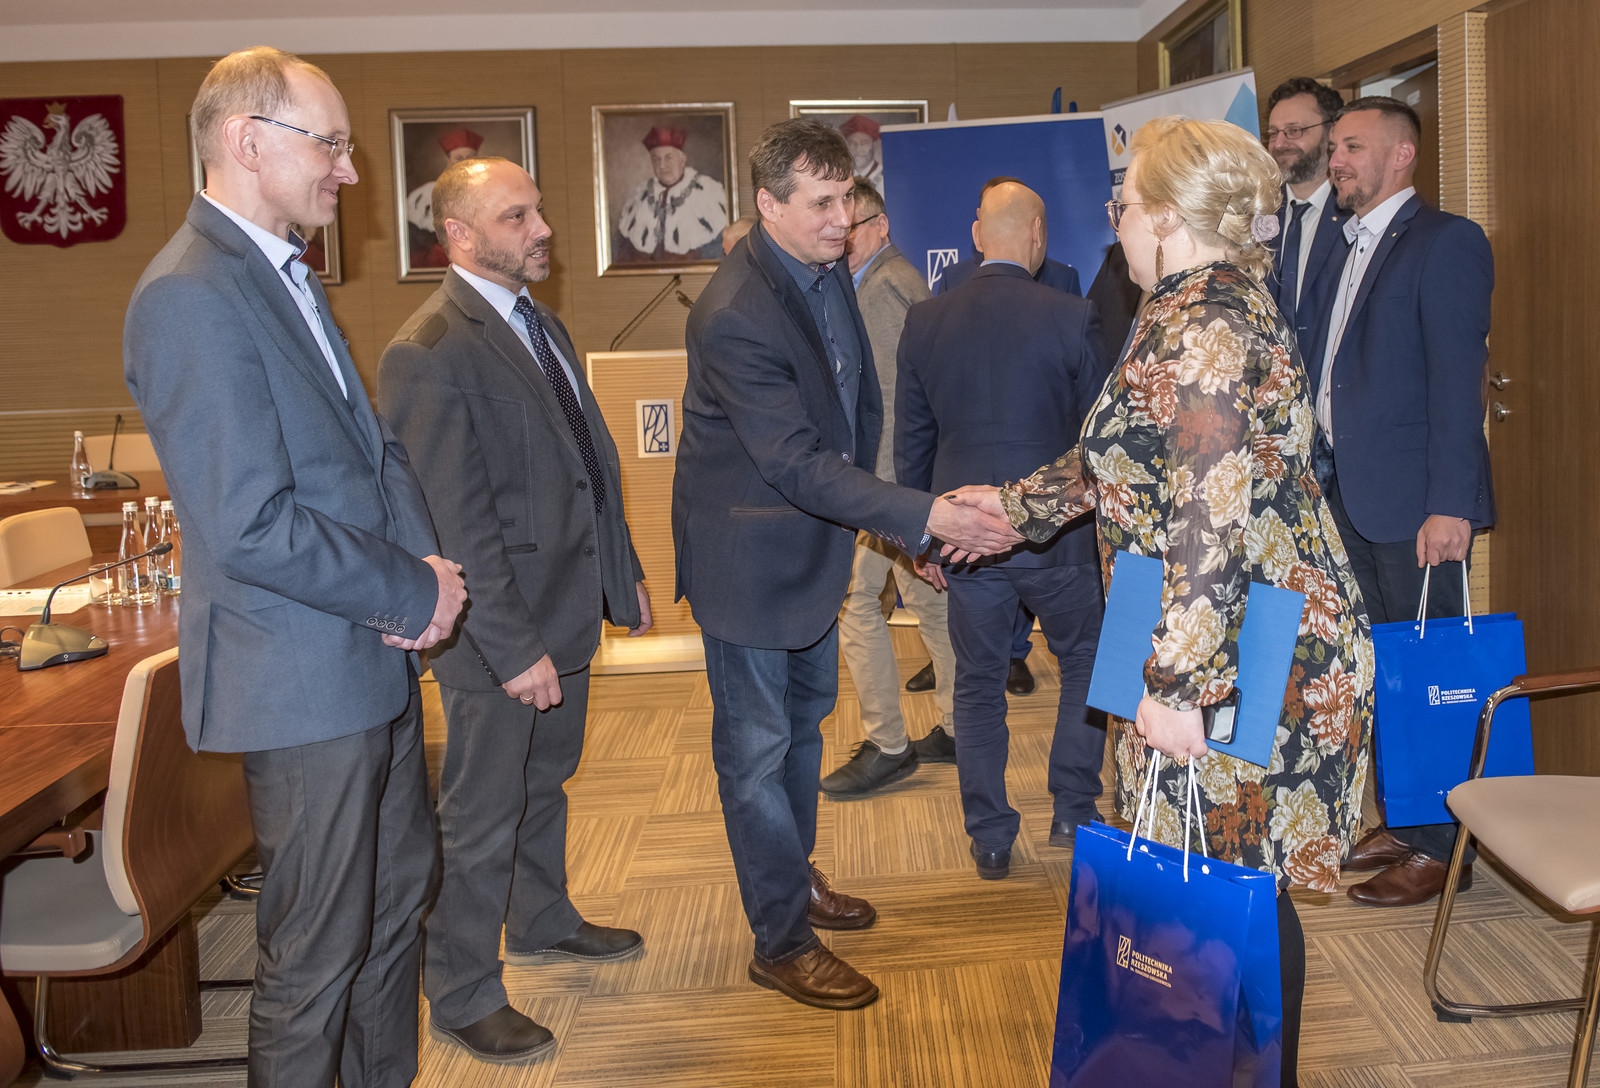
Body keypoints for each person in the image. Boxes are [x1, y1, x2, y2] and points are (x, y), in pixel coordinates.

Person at [960, 116, 1375, 1088]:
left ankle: (1249, 1073)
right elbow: (1124, 452)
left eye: (1122, 205)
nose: (1113, 223)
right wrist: (1011, 509)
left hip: (1240, 639)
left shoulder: (1209, 322)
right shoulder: (1185, 303)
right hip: (1200, 616)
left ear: (1166, 214)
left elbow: (1208, 511)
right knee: (1207, 879)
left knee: (1231, 884)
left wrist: (1181, 686)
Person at [122, 47, 467, 1087]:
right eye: (331, 145)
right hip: (303, 679)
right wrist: (410, 590)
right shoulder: (189, 293)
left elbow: (372, 451)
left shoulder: (284, 274)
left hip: (367, 657)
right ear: (246, 140)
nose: (349, 171)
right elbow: (248, 523)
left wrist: (421, 575)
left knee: (393, 908)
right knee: (316, 956)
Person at [672, 118, 1021, 1012]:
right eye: (822, 204)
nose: (842, 220)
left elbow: (857, 419)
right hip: (748, 569)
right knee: (755, 760)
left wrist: (898, 533)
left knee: (800, 739)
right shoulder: (734, 312)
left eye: (849, 201)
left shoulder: (823, 272)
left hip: (813, 551)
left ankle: (793, 878)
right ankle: (781, 942)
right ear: (768, 204)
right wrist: (925, 517)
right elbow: (792, 460)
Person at [376, 157, 652, 1063]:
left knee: (545, 783)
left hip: (564, 609)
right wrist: (511, 648)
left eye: (537, 210)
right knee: (482, 813)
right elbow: (456, 523)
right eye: (516, 216)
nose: (542, 230)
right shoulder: (428, 350)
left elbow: (588, 463)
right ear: (458, 235)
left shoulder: (539, 321)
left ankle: (541, 917)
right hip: (499, 635)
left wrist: (621, 569)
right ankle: (460, 989)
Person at [896, 180, 1109, 873]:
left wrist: (922, 539)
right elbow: (1099, 444)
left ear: (976, 235)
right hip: (1059, 538)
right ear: (1039, 236)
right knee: (1083, 663)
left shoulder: (925, 320)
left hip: (964, 538)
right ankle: (1074, 810)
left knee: (978, 681)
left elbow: (913, 445)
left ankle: (989, 835)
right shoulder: (1073, 316)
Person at [1315, 97, 1495, 908]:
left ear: (1402, 155)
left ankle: (1445, 846)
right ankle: (1406, 815)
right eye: (1335, 146)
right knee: (1385, 671)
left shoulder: (1446, 241)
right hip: (1347, 495)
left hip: (1416, 505)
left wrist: (1452, 504)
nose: (1337, 160)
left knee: (1431, 675)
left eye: (1353, 146)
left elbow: (1459, 385)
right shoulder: (1343, 242)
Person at [820, 177, 958, 798]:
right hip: (907, 484)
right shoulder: (896, 279)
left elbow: (889, 407)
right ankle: (957, 726)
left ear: (880, 226)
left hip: (886, 482)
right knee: (930, 603)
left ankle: (888, 744)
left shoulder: (880, 289)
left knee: (855, 605)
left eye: (853, 224)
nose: (842, 235)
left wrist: (880, 499)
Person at [1264, 77, 1350, 360]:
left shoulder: (1356, 216)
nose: (1279, 143)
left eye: (1294, 131)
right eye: (1273, 133)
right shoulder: (1256, 212)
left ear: (1331, 132)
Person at [615, 125, 727, 262]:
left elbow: (716, 253)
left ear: (682, 160)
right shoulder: (640, 196)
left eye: (668, 158)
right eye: (656, 159)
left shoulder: (708, 193)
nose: (662, 165)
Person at [406, 127, 482, 269]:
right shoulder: (424, 195)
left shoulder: (487, 192)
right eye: (459, 158)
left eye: (470, 158)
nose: (465, 164)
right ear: (447, 160)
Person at [838, 114, 883, 191]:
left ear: (874, 145)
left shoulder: (884, 175)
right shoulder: (839, 176)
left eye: (864, 143)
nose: (858, 148)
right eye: (852, 143)